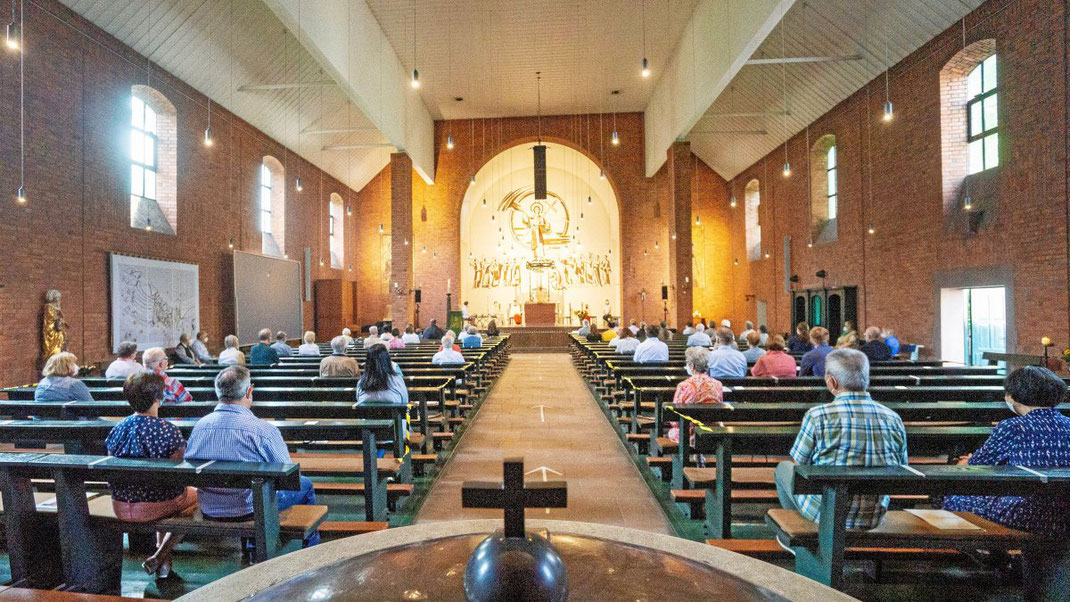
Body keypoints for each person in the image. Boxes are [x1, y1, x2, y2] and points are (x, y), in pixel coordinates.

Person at [184, 366, 319, 549]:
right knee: (305, 484)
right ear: (249, 392)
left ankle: (253, 544)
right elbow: (288, 475)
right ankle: (311, 550)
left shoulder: (200, 426)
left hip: (210, 507)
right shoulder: (263, 430)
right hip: (250, 508)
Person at [775, 349, 907, 530]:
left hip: (826, 513)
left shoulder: (818, 415)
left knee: (783, 469)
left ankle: (802, 530)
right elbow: (901, 465)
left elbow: (800, 465)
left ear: (832, 382)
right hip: (872, 516)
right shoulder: (893, 418)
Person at [943, 367, 1070, 535]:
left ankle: (988, 553)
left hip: (1028, 512)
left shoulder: (1012, 426)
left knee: (952, 498)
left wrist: (964, 462)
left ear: (1012, 396)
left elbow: (976, 466)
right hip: (1066, 510)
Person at [105, 371, 197, 579]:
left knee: (168, 495)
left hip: (119, 504)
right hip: (156, 504)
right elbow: (180, 473)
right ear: (159, 397)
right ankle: (161, 553)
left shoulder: (117, 429)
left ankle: (163, 563)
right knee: (200, 498)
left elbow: (111, 469)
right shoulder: (167, 430)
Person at [667, 347, 725, 443]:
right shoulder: (718, 384)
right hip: (711, 430)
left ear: (692, 366)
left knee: (674, 431)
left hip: (689, 433)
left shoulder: (684, 386)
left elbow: (675, 419)